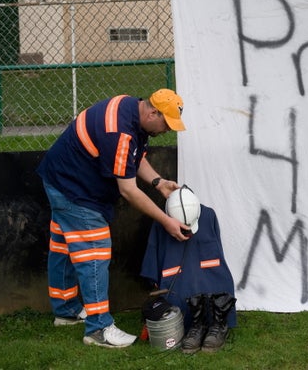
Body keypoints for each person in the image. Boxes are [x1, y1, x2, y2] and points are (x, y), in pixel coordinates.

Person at [37, 89, 192, 348]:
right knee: (94, 254)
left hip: (59, 179)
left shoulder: (130, 108)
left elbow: (134, 156)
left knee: (64, 246)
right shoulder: (119, 131)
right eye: (166, 123)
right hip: (76, 190)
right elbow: (128, 191)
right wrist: (166, 220)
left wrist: (158, 182)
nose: (167, 130)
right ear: (153, 112)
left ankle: (65, 311)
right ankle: (99, 328)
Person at [141, 203, 237, 354]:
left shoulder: (208, 214)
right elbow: (152, 260)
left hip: (211, 282)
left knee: (218, 289)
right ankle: (198, 325)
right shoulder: (160, 221)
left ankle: (216, 325)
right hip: (175, 289)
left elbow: (218, 252)